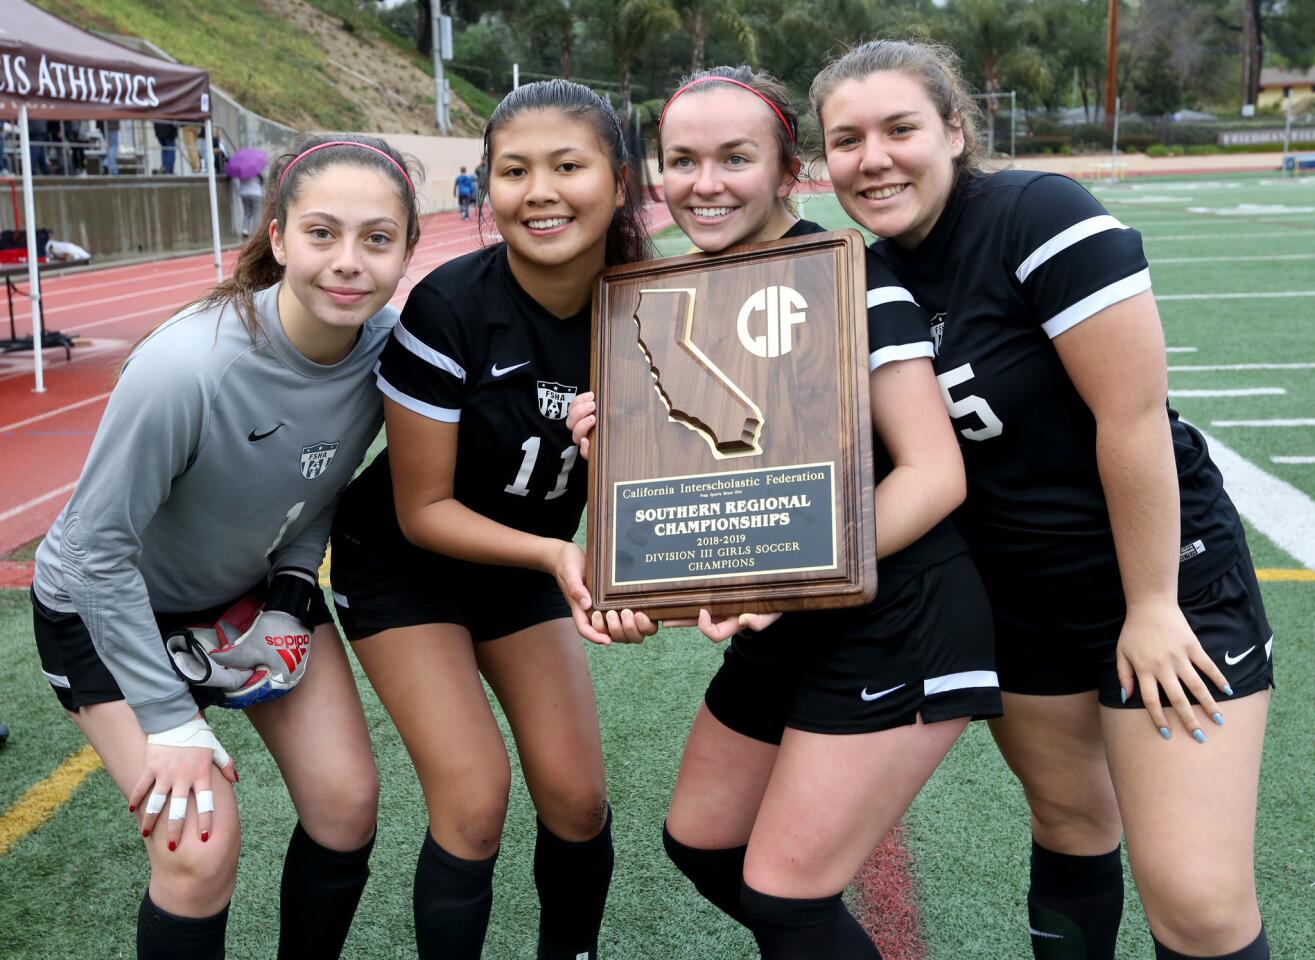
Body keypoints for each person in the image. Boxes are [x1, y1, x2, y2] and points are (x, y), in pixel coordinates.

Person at [812, 39, 1275, 960]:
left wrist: (1147, 605)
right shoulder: (854, 279)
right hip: (1019, 601)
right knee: (1069, 825)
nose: (872, 159)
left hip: (1158, 581)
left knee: (1195, 902)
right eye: (845, 139)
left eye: (899, 129)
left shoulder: (1036, 212)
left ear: (953, 130)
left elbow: (1132, 416)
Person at [569, 65, 999, 959]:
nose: (706, 182)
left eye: (736, 157)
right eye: (682, 160)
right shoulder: (660, 297)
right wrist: (608, 454)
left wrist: (799, 576)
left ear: (787, 171)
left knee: (785, 899)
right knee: (702, 842)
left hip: (898, 616)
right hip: (792, 619)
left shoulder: (848, 280)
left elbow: (932, 474)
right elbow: (708, 459)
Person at [29, 134, 421, 960]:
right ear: (276, 237)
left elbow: (313, 494)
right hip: (107, 606)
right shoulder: (187, 368)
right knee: (198, 853)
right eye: (321, 233)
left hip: (242, 594)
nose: (347, 262)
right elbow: (98, 555)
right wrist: (170, 720)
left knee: (346, 805)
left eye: (376, 239)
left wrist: (286, 589)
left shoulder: (385, 357)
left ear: (406, 251)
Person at [328, 79, 653, 960]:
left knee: (578, 800)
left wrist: (640, 550)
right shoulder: (450, 305)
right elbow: (423, 508)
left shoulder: (655, 304)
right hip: (406, 563)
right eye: (513, 170)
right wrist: (561, 554)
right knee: (473, 804)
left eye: (567, 166)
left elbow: (683, 473)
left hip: (521, 571)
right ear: (487, 186)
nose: (539, 190)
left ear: (619, 181)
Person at [237, 174, 264, 238]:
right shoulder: (255, 171)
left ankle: (245, 230)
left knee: (247, 212)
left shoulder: (241, 170)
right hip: (255, 193)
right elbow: (262, 181)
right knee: (256, 212)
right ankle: (256, 231)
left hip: (244, 193)